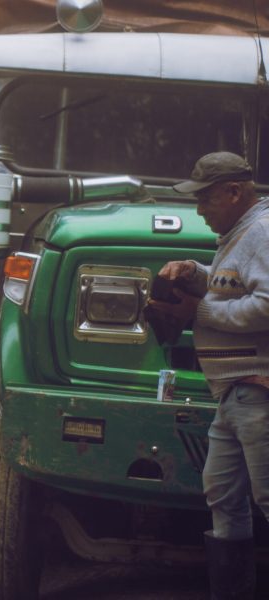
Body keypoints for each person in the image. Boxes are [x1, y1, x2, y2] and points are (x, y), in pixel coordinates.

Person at [148, 151, 269, 599]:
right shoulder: (239, 235)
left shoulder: (262, 232)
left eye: (205, 199)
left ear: (234, 192)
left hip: (259, 392)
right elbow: (234, 288)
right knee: (223, 497)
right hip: (234, 397)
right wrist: (196, 273)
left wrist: (198, 309)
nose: (199, 210)